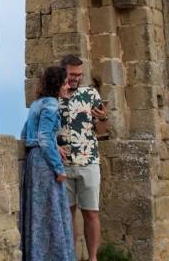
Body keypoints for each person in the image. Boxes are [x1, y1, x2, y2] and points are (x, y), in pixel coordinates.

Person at [20, 66, 76, 261]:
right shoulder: (52, 104)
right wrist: (59, 168)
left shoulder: (37, 103)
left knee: (38, 212)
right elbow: (44, 137)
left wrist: (54, 145)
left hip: (33, 161)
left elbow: (26, 134)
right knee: (51, 210)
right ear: (57, 84)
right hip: (45, 164)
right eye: (65, 82)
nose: (68, 86)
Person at [57, 54, 108, 261]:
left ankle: (92, 258)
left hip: (88, 162)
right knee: (67, 213)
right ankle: (70, 256)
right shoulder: (52, 95)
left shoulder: (91, 94)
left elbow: (103, 132)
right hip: (62, 165)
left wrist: (104, 118)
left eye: (79, 74)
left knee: (91, 213)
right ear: (63, 72)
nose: (76, 78)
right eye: (72, 74)